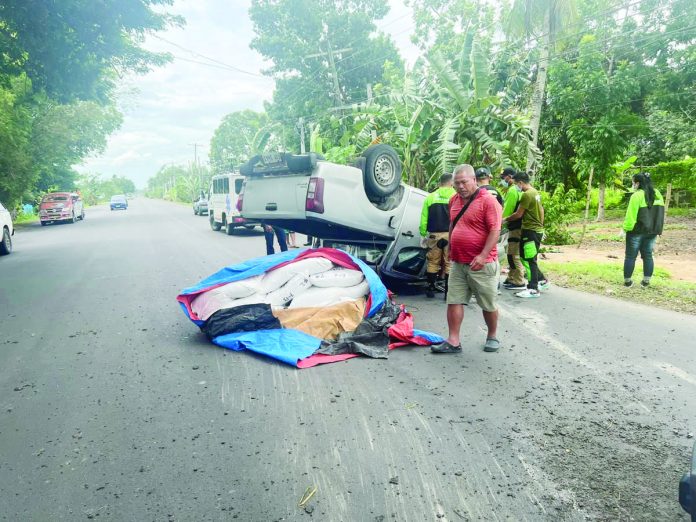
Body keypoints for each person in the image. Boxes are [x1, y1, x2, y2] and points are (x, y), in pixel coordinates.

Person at [431, 164, 502, 354]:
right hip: (458, 262)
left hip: (482, 264)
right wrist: (451, 247)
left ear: (474, 180)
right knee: (453, 300)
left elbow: (495, 231)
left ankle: (492, 335)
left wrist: (483, 255)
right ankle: (453, 341)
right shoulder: (454, 200)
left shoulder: (488, 201)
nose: (460, 187)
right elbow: (453, 223)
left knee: (488, 303)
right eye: (456, 183)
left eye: (464, 182)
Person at [503, 171, 549, 298]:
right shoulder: (534, 192)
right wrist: (541, 224)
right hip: (535, 229)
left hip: (530, 230)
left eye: (516, 184)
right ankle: (541, 280)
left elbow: (518, 214)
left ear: (521, 182)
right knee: (525, 256)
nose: (516, 186)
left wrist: (505, 219)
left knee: (529, 258)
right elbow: (541, 210)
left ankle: (533, 288)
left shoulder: (526, 195)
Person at [623, 172, 665, 287]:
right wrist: (659, 230)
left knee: (630, 256)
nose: (633, 185)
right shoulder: (657, 194)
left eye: (633, 182)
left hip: (636, 231)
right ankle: (646, 282)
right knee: (648, 255)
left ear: (637, 183)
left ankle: (627, 282)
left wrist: (626, 229)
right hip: (652, 231)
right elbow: (660, 213)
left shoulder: (636, 196)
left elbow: (630, 216)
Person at [420, 173, 456, 298]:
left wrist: (423, 234)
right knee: (449, 263)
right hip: (450, 235)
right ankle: (448, 293)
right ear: (451, 183)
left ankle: (430, 289)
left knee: (432, 262)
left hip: (434, 236)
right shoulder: (456, 197)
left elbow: (424, 218)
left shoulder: (430, 197)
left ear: (440, 183)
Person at [499, 168, 526, 290]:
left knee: (513, 254)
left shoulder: (513, 190)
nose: (503, 180)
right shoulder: (520, 190)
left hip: (515, 226)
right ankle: (511, 277)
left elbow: (508, 210)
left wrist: (501, 222)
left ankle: (519, 280)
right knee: (511, 253)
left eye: (504, 177)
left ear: (510, 177)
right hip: (520, 225)